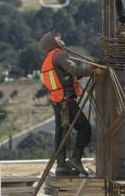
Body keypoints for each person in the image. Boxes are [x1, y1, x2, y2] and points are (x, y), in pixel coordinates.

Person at [39, 30, 101, 176]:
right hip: (66, 101)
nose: (61, 39)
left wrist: (89, 69)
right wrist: (93, 72)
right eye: (58, 37)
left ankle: (61, 165)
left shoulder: (49, 58)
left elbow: (67, 77)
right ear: (52, 41)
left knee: (62, 133)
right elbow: (74, 69)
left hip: (58, 100)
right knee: (85, 128)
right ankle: (75, 158)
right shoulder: (59, 55)